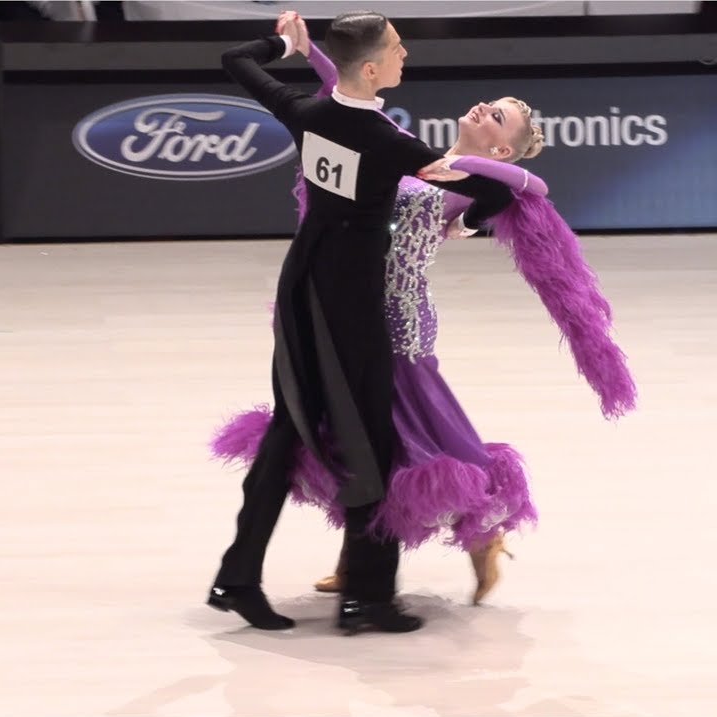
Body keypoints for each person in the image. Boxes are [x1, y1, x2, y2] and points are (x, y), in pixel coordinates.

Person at [211, 32, 637, 607]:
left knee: (410, 443)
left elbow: (534, 185)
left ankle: (473, 538)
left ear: (504, 150)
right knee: (353, 437)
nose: (487, 108)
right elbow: (347, 100)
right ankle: (361, 564)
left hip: (398, 322)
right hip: (348, 303)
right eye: (492, 103)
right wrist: (313, 49)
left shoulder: (477, 182)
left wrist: (469, 178)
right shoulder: (407, 146)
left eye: (500, 118)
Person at [208, 10, 518, 635]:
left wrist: (282, 43)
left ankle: (239, 577)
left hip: (301, 286)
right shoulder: (390, 143)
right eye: (399, 48)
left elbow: (235, 62)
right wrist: (477, 217)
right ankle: (369, 597)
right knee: (370, 442)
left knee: (287, 432)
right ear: (372, 66)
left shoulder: (308, 114)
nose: (407, 56)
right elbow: (497, 192)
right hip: (351, 303)